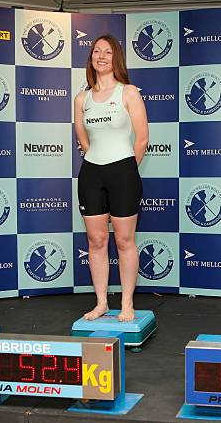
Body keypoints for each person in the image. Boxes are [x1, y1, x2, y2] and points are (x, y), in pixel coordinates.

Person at [74, 34, 149, 322]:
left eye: (107, 52)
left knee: (125, 240)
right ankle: (102, 302)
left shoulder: (128, 92)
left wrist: (127, 168)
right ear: (91, 58)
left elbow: (142, 138)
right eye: (96, 52)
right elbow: (83, 141)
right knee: (96, 240)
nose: (101, 56)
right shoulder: (82, 98)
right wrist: (100, 164)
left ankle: (127, 302)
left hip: (123, 171)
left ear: (115, 58)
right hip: (92, 172)